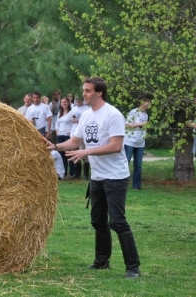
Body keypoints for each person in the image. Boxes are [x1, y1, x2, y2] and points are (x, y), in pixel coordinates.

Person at [43, 77, 141, 279]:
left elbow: (115, 146)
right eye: (83, 90)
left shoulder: (113, 114)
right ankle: (101, 262)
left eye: (88, 91)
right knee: (98, 221)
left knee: (118, 222)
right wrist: (56, 146)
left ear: (99, 93)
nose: (84, 94)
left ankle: (133, 268)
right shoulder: (87, 116)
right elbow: (75, 141)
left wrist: (86, 153)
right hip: (97, 177)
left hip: (115, 177)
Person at [124, 97, 151, 190]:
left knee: (138, 165)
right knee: (125, 162)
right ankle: (123, 183)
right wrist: (140, 124)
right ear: (141, 103)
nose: (148, 104)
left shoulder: (146, 115)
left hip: (140, 143)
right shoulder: (134, 112)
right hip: (130, 141)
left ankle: (136, 185)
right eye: (147, 101)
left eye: (149, 102)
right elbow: (126, 125)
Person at [68, 95, 90, 179]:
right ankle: (77, 173)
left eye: (79, 99)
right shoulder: (73, 109)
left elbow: (88, 120)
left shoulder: (86, 108)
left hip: (83, 134)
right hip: (74, 132)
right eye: (76, 99)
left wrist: (79, 120)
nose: (77, 100)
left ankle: (85, 174)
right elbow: (71, 120)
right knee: (75, 154)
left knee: (84, 154)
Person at [55, 97, 72, 176]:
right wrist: (57, 130)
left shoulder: (71, 112)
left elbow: (75, 123)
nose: (64, 104)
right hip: (60, 135)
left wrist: (72, 132)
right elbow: (57, 123)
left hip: (67, 135)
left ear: (68, 103)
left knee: (69, 154)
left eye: (65, 102)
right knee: (61, 155)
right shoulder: (60, 113)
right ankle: (64, 172)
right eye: (62, 102)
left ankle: (72, 172)